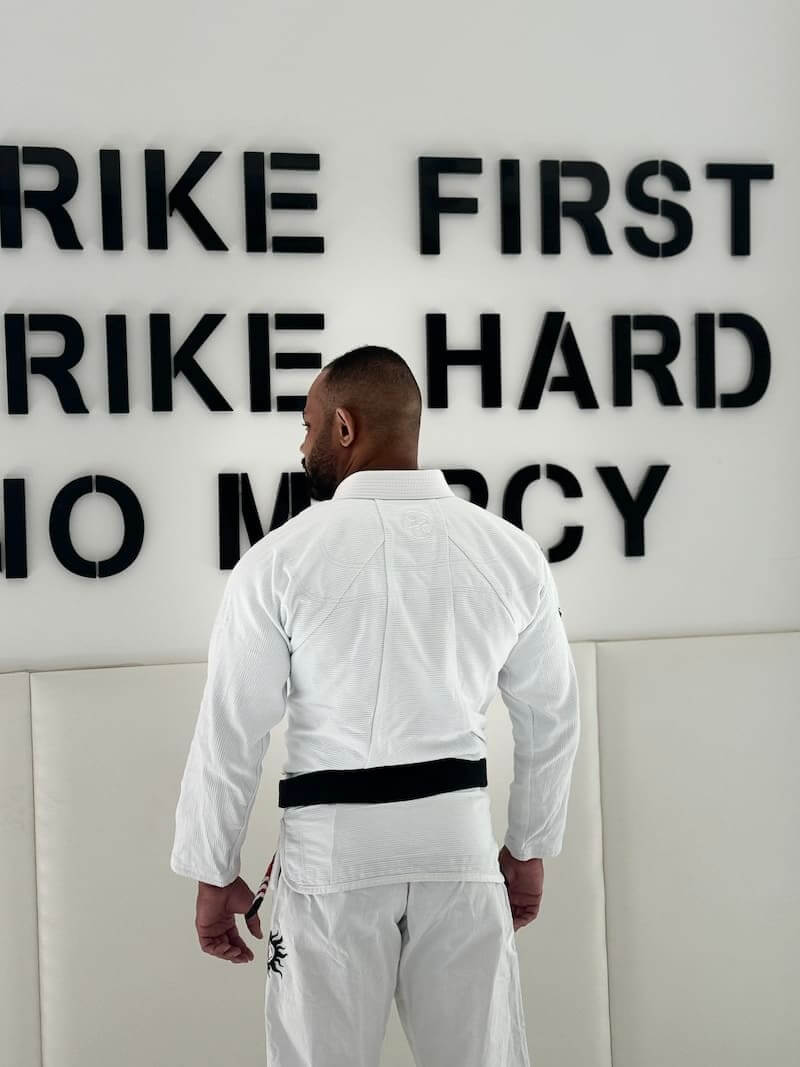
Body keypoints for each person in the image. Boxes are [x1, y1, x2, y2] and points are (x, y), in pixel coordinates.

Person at [170, 344, 581, 1066]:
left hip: (331, 858)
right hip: (456, 850)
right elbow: (550, 720)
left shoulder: (278, 562)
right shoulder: (512, 554)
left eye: (307, 423)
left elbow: (233, 728)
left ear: (345, 428)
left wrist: (213, 867)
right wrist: (528, 847)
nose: (301, 444)